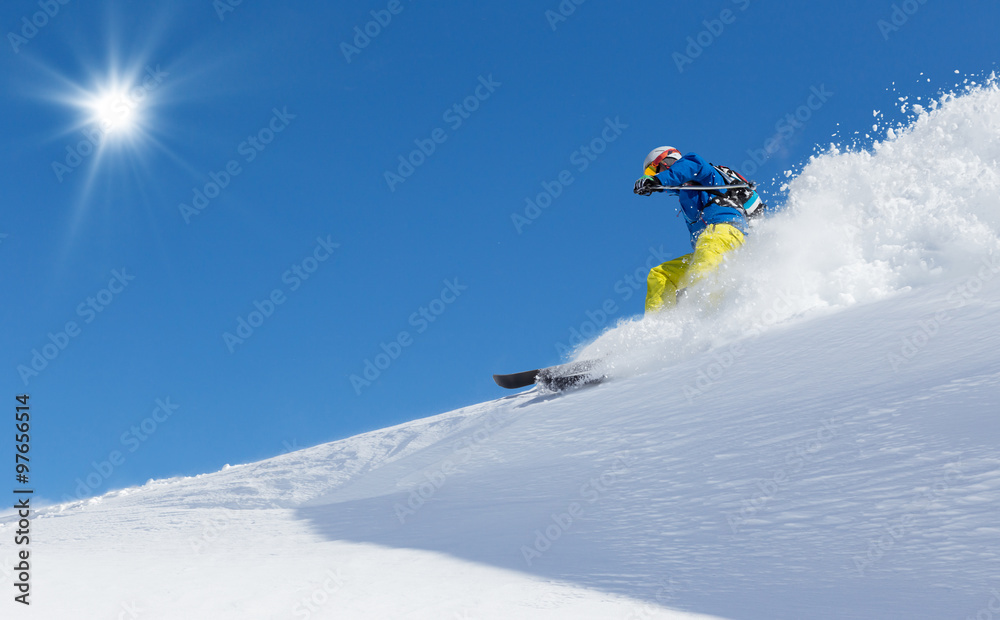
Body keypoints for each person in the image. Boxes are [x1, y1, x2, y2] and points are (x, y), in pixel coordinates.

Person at [633, 146, 764, 313]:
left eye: (655, 170)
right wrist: (654, 185)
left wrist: (657, 181)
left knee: (704, 261)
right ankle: (658, 326)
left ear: (666, 162)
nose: (655, 175)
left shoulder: (701, 172)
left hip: (725, 232)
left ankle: (704, 314)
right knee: (660, 275)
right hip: (708, 244)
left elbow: (694, 164)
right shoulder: (685, 193)